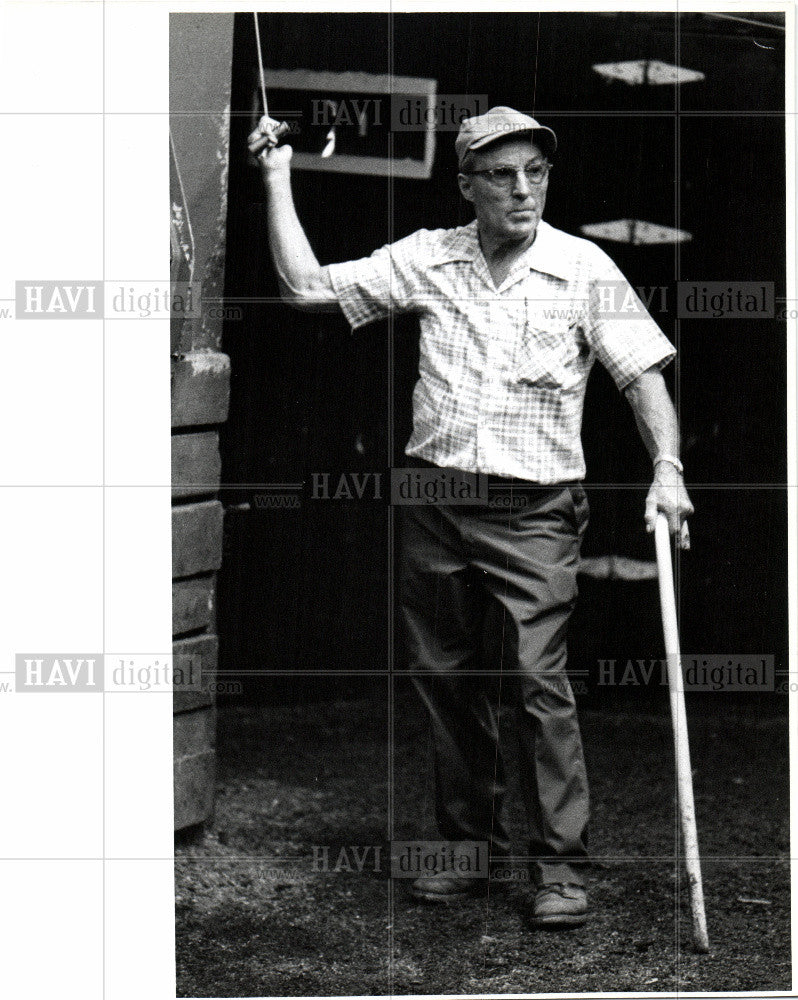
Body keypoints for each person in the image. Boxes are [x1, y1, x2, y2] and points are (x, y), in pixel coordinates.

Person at [248, 106, 694, 928]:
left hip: (536, 510)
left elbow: (643, 379)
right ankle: (467, 852)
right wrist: (277, 178)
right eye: (501, 175)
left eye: (536, 172)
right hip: (435, 502)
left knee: (536, 683)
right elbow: (305, 287)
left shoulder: (584, 267)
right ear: (468, 186)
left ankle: (558, 869)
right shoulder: (430, 257)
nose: (523, 190)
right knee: (448, 683)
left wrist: (666, 467)